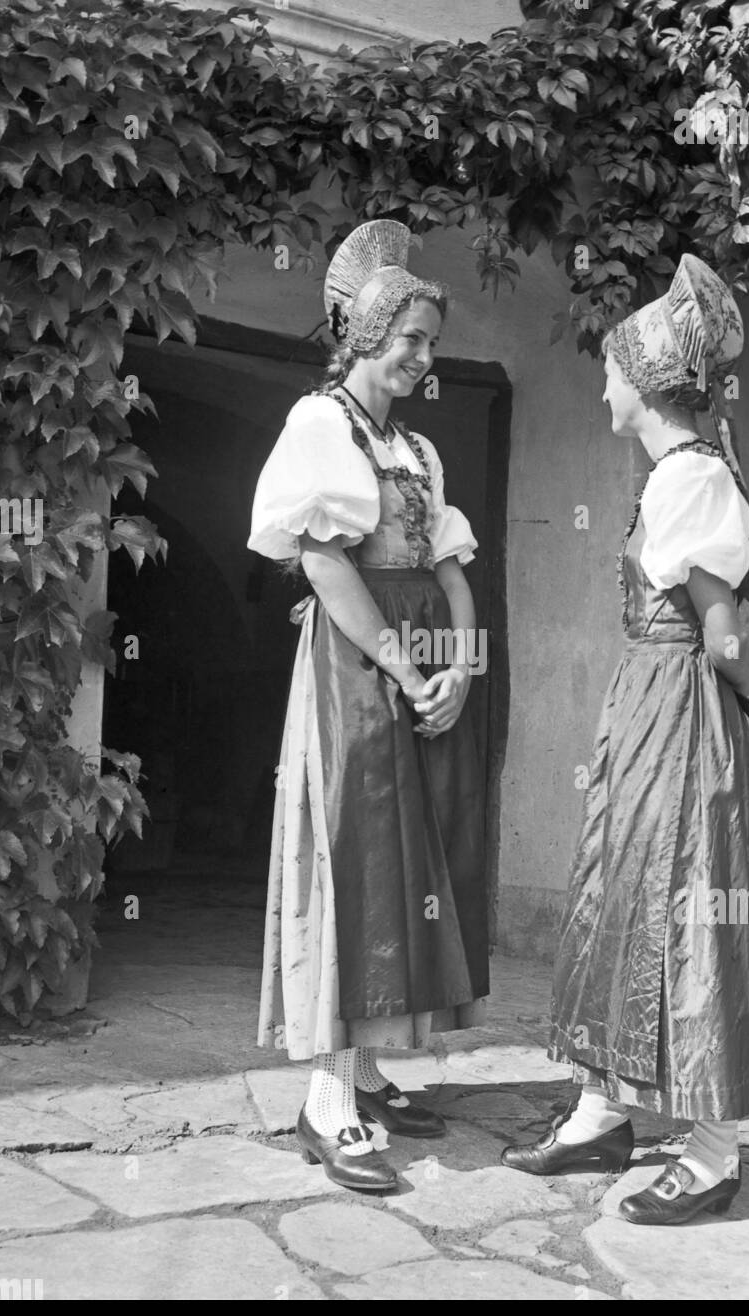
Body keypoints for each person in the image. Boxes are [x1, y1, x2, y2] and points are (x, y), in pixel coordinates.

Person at [501, 255, 749, 1224]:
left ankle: (714, 1153)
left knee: (686, 910)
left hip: (682, 714)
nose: (600, 383)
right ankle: (601, 1111)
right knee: (620, 896)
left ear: (644, 386)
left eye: (610, 369)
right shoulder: (674, 476)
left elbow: (723, 633)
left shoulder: (693, 481)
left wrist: (732, 709)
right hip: (648, 712)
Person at [248, 220, 489, 1194]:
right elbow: (320, 557)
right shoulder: (320, 425)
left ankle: (372, 1067)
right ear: (361, 334)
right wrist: (396, 662)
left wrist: (460, 665)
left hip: (424, 665)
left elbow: (448, 565)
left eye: (431, 341)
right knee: (357, 852)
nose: (426, 359)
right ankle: (325, 1098)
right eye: (412, 341)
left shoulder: (417, 448)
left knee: (414, 857)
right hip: (356, 665)